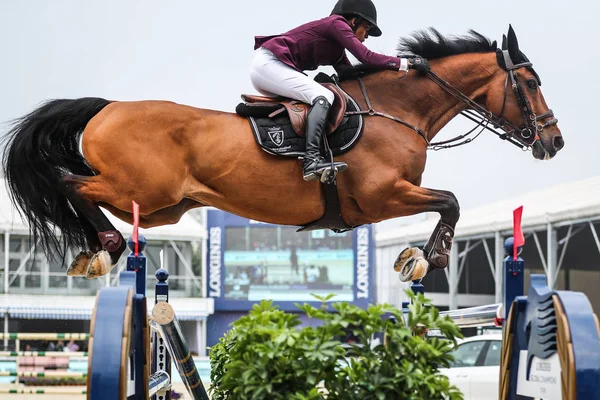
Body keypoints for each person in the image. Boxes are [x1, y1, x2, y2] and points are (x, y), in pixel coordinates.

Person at [251, 0, 430, 181]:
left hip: (272, 68)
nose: (366, 36)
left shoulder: (336, 48)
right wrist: (406, 63)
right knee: (323, 96)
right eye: (366, 28)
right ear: (353, 21)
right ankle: (311, 160)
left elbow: (349, 73)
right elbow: (366, 56)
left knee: (321, 97)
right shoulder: (337, 23)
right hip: (269, 65)